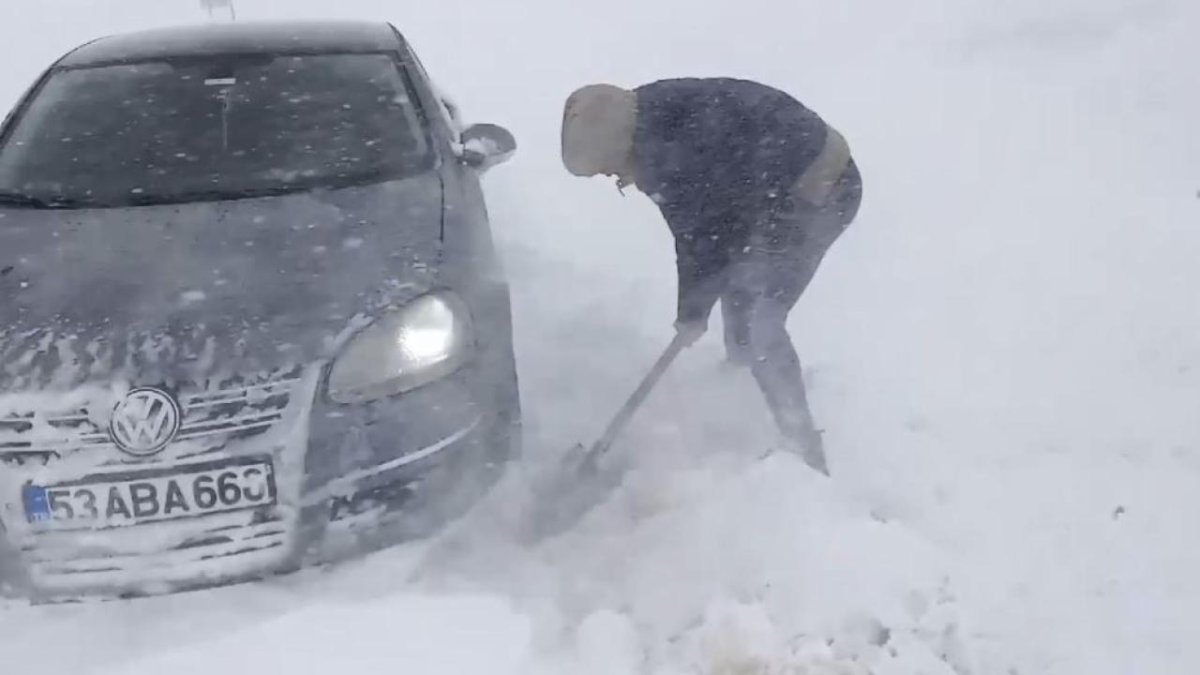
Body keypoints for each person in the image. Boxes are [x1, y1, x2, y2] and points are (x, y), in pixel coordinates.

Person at [559, 77, 863, 474]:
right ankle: (739, 382)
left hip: (820, 188)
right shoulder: (649, 124)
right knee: (739, 286)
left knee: (761, 320)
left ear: (618, 145)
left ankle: (802, 446)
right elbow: (699, 235)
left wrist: (693, 312)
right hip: (768, 193)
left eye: (607, 168)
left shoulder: (672, 149)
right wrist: (694, 310)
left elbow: (704, 236)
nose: (613, 178)